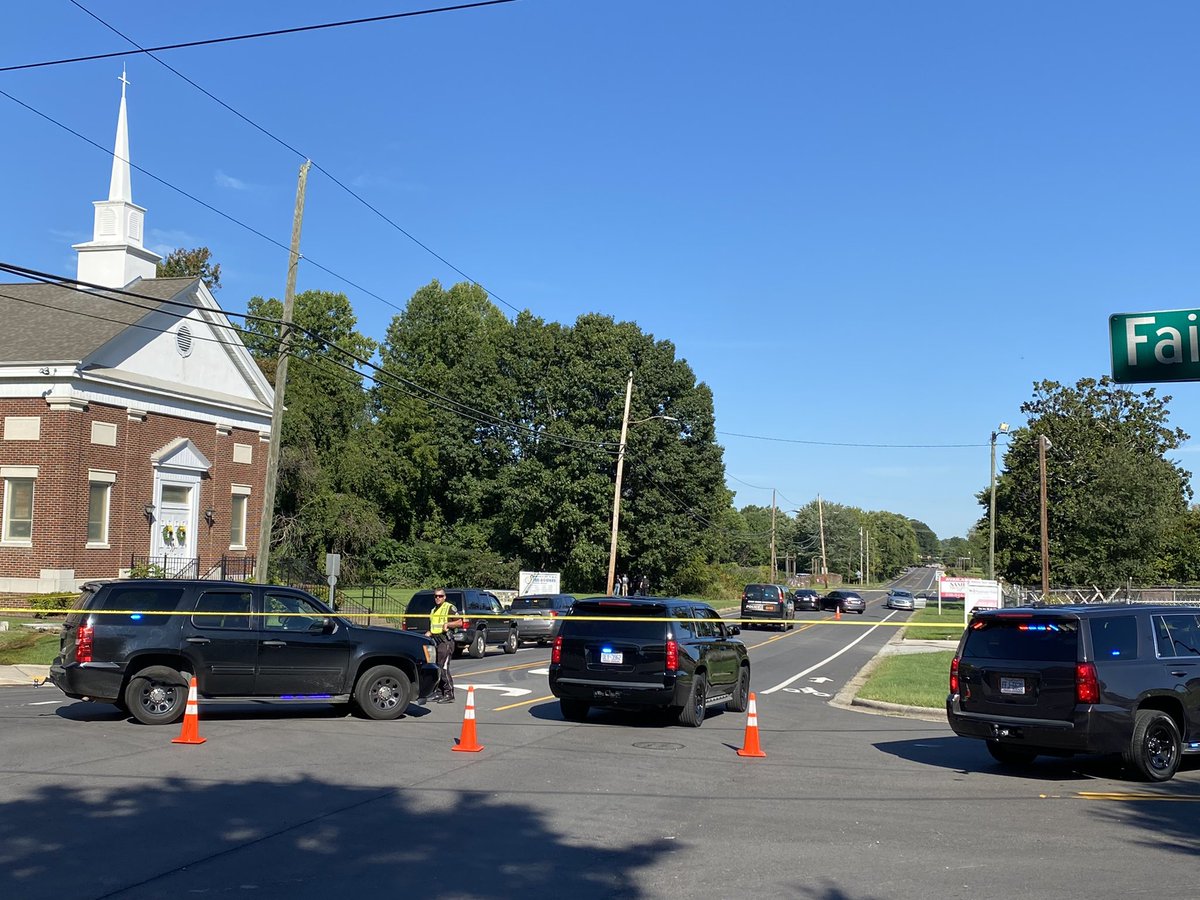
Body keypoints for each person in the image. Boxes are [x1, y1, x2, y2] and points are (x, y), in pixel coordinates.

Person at [424, 589, 463, 703]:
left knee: (443, 667)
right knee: (435, 668)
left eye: (440, 596)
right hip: (435, 641)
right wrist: (429, 632)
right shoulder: (433, 610)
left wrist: (448, 624)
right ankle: (438, 692)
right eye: (436, 596)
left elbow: (459, 622)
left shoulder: (449, 607)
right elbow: (434, 626)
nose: (438, 598)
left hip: (445, 641)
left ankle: (449, 693)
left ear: (444, 597)